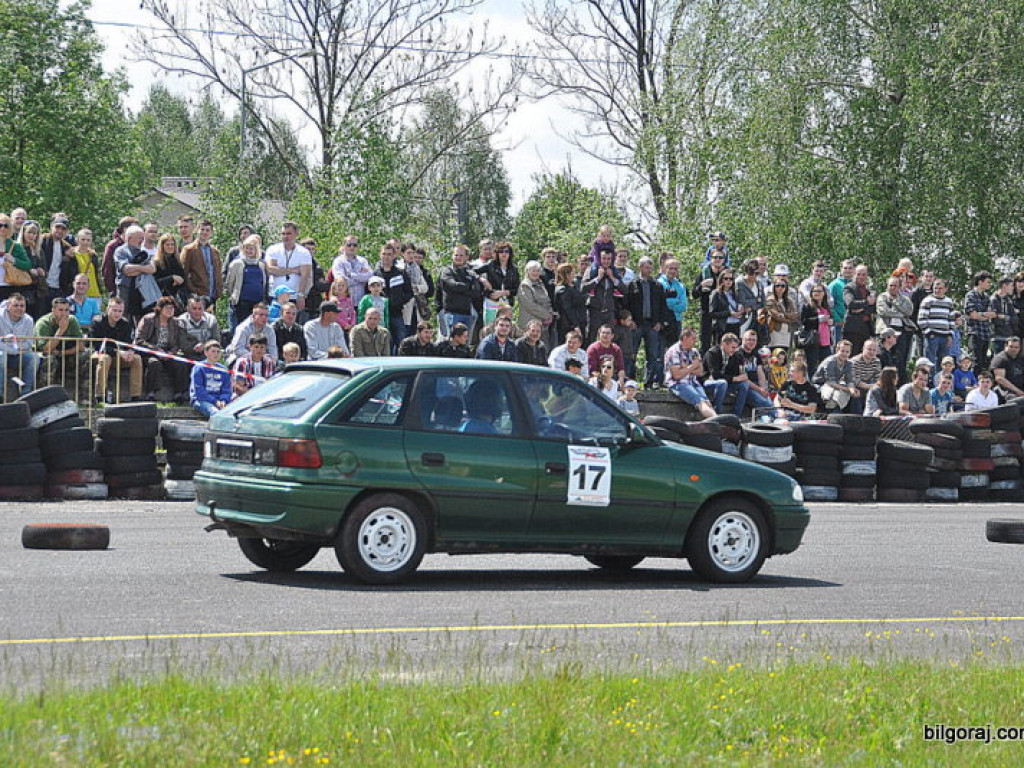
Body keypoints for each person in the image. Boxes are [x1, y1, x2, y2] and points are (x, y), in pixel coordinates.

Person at [135, 296, 190, 403]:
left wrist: (171, 353)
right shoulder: (148, 320)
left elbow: (177, 343)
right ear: (160, 308)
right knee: (154, 363)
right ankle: (151, 392)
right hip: (150, 352)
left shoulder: (175, 322)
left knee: (180, 363)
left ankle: (180, 393)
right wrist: (156, 350)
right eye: (167, 308)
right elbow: (139, 340)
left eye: (172, 308)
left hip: (168, 353)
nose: (170, 311)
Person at [34, 296, 90, 401]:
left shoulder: (72, 320)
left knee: (85, 355)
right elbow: (46, 349)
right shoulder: (43, 323)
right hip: (47, 356)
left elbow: (81, 346)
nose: (64, 313)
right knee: (49, 359)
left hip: (65, 353)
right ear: (53, 310)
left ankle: (85, 398)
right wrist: (61, 330)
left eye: (66, 310)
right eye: (60, 310)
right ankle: (44, 398)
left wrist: (61, 353)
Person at [91, 297, 143, 403]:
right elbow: (97, 346)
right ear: (107, 309)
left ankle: (135, 395)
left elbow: (129, 343)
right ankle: (100, 395)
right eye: (114, 310)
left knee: (136, 359)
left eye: (120, 311)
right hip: (99, 353)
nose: (117, 314)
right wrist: (118, 352)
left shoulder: (125, 323)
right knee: (105, 359)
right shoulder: (97, 322)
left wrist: (130, 352)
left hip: (119, 356)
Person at [664, 327, 721, 420]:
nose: (695, 342)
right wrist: (692, 366)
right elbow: (677, 376)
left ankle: (714, 421)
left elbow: (700, 372)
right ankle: (717, 420)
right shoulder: (673, 351)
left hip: (693, 382)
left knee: (707, 402)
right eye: (693, 339)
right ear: (685, 338)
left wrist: (685, 368)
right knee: (701, 402)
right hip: (678, 384)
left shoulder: (694, 352)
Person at [265, 221, 312, 317]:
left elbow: (305, 275)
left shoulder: (304, 252)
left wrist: (301, 295)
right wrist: (293, 270)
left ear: (296, 234)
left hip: (294, 295)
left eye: (289, 233)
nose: (285, 236)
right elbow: (270, 270)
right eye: (283, 234)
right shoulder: (273, 249)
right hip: (275, 295)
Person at [114, 225, 159, 323]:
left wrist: (136, 269)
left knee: (139, 317)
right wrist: (143, 269)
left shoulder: (143, 252)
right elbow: (126, 270)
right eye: (140, 238)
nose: (142, 240)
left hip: (140, 289)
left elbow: (152, 269)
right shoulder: (121, 251)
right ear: (130, 238)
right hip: (125, 288)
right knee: (124, 315)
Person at [374, 243, 414, 347]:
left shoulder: (401, 273)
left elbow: (409, 292)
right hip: (380, 315)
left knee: (402, 343)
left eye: (389, 254)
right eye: (384, 254)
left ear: (393, 256)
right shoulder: (375, 274)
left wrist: (399, 301)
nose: (386, 257)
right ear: (380, 255)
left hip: (396, 313)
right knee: (382, 344)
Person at [224, 234, 267, 330]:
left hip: (257, 302)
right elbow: (229, 283)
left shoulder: (261, 265)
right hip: (242, 302)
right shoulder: (237, 263)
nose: (249, 251)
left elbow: (263, 283)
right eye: (246, 248)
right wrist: (233, 296)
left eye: (251, 248)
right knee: (241, 327)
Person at [0, 292, 37, 400]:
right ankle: (0, 394)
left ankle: (26, 394)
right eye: (15, 305)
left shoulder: (29, 320)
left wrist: (14, 349)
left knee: (34, 358)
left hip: (19, 354)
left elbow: (29, 343)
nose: (19, 308)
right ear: (8, 306)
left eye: (22, 306)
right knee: (1, 356)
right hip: (3, 353)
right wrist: (11, 348)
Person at [580, 249, 621, 344]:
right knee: (591, 338)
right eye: (604, 258)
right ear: (599, 258)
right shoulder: (591, 269)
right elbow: (583, 288)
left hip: (609, 312)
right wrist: (598, 278)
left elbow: (624, 289)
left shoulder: (614, 271)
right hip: (594, 311)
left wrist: (613, 278)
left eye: (609, 259)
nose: (606, 261)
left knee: (609, 340)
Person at [181, 220, 222, 312]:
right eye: (202, 229)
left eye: (207, 230)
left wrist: (219, 290)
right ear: (197, 230)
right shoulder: (189, 250)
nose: (204, 232)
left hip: (212, 295)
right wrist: (193, 291)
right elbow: (184, 273)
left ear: (211, 232)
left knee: (209, 324)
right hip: (197, 296)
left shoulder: (215, 252)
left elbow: (218, 272)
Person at [875, 275, 914, 371]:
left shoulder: (905, 299)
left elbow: (909, 311)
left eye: (895, 285)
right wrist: (901, 314)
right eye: (890, 285)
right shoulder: (882, 297)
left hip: (902, 331)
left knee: (901, 359)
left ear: (900, 287)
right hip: (885, 330)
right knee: (885, 357)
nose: (892, 288)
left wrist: (895, 303)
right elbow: (883, 311)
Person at [917, 278, 956, 367]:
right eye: (935, 288)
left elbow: (951, 320)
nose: (937, 290)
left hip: (945, 337)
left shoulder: (949, 302)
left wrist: (950, 335)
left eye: (940, 288)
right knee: (929, 362)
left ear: (945, 289)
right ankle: (930, 380)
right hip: (932, 336)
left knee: (943, 363)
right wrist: (929, 332)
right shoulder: (927, 300)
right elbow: (922, 319)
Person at [693, 249, 727, 351]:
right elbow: (694, 294)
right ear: (710, 259)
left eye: (720, 257)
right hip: (707, 313)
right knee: (705, 344)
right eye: (715, 257)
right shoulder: (704, 273)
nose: (717, 259)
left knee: (722, 343)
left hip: (722, 314)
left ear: (724, 260)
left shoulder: (727, 274)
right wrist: (701, 286)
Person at [518, 260, 556, 350]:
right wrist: (547, 315)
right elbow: (530, 305)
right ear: (527, 271)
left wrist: (550, 314)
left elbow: (547, 301)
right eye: (533, 270)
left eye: (537, 270)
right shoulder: (525, 285)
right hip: (530, 323)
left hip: (544, 325)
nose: (535, 273)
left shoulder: (540, 283)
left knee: (544, 349)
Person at [812, 339, 859, 412]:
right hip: (820, 384)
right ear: (837, 350)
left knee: (854, 396)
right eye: (842, 351)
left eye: (847, 352)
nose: (844, 354)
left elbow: (849, 380)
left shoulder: (849, 363)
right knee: (837, 396)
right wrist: (847, 389)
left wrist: (852, 389)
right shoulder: (830, 362)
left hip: (835, 384)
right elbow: (830, 382)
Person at [190, 339, 232, 417]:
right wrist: (215, 401)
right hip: (201, 400)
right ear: (206, 353)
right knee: (215, 413)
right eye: (213, 351)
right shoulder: (199, 368)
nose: (216, 354)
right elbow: (199, 391)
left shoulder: (223, 369)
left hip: (220, 401)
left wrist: (224, 400)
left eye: (218, 352)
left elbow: (226, 389)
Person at [39, 215, 77, 300]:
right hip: (41, 287)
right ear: (51, 227)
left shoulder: (67, 247)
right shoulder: (42, 241)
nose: (60, 231)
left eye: (63, 229)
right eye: (57, 227)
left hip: (58, 289)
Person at [798, 283, 833, 375]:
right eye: (814, 291)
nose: (817, 293)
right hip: (813, 340)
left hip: (826, 341)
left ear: (824, 293)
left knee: (827, 364)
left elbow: (831, 319)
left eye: (819, 291)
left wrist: (831, 321)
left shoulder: (826, 307)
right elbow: (803, 321)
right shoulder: (807, 306)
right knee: (812, 365)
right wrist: (819, 319)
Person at [842, 264, 876, 355]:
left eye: (864, 274)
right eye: (858, 274)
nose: (861, 277)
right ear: (854, 274)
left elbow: (873, 308)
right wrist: (866, 303)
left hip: (866, 329)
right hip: (853, 329)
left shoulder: (869, 290)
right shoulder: (849, 287)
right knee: (852, 356)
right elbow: (850, 303)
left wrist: (861, 309)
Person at [331, 235, 372, 306]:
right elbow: (341, 280)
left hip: (361, 303)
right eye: (349, 245)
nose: (352, 247)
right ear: (344, 246)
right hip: (344, 302)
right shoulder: (338, 261)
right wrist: (360, 278)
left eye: (355, 245)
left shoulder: (363, 261)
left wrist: (351, 275)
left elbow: (369, 276)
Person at [101, 216, 138, 297]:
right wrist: (112, 291)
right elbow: (107, 270)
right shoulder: (113, 246)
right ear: (125, 229)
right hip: (119, 290)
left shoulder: (138, 245)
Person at [178, 295, 222, 362]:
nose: (197, 312)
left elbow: (217, 339)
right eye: (194, 308)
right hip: (188, 354)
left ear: (204, 309)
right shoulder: (182, 320)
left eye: (200, 308)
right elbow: (182, 343)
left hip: (208, 352)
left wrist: (205, 346)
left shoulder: (211, 319)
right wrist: (195, 348)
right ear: (188, 309)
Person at [153, 233, 189, 310]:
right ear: (162, 246)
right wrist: (172, 278)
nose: (170, 247)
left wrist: (180, 280)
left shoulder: (178, 261)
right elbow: (155, 283)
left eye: (172, 244)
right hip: (163, 299)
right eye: (167, 245)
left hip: (178, 299)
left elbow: (184, 278)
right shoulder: (157, 262)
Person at [658, 257, 688, 346]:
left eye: (675, 269)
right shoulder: (658, 284)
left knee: (675, 349)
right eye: (671, 268)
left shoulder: (680, 286)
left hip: (676, 320)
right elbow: (661, 304)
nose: (673, 271)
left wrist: (670, 302)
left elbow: (683, 306)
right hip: (662, 321)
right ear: (665, 268)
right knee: (660, 352)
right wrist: (676, 301)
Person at [553, 263, 586, 342]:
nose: (574, 274)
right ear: (567, 274)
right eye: (572, 272)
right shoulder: (562, 290)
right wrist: (576, 325)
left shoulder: (572, 286)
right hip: (568, 325)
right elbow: (568, 309)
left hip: (578, 321)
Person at [765, 279, 799, 350]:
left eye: (783, 286)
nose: (780, 288)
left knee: (785, 355)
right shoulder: (770, 300)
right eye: (777, 286)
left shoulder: (789, 301)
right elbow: (776, 316)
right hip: (775, 332)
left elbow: (795, 316)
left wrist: (783, 315)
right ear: (774, 287)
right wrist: (788, 317)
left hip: (787, 333)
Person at [71, 228, 103, 300]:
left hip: (95, 293)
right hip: (79, 294)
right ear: (77, 239)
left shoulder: (93, 255)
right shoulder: (72, 254)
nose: (85, 242)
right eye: (83, 239)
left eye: (88, 240)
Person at [828, 259, 854, 345]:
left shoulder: (855, 284)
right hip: (838, 323)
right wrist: (837, 319)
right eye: (845, 268)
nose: (848, 270)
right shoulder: (834, 285)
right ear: (841, 269)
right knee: (838, 347)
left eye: (850, 268)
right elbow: (829, 304)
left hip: (853, 323)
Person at [990, 277, 1018, 356]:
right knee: (998, 362)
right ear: (1004, 286)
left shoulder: (1009, 301)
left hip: (1009, 337)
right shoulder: (993, 300)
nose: (1013, 288)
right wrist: (1007, 318)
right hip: (997, 337)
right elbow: (994, 319)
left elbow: (1015, 319)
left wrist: (1004, 317)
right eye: (1011, 285)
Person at [991, 336, 1024, 400]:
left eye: (1016, 347)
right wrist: (1018, 391)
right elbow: (1000, 379)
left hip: (1020, 388)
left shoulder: (1020, 359)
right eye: (1011, 346)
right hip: (1006, 391)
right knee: (1014, 399)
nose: (1014, 349)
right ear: (1005, 346)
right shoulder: (1000, 359)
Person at [851, 338, 882, 403]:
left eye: (874, 350)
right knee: (857, 392)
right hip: (855, 385)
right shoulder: (855, 361)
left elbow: (878, 378)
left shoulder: (877, 361)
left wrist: (875, 386)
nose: (872, 352)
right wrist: (870, 386)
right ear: (863, 349)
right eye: (869, 349)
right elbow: (855, 380)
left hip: (869, 384)